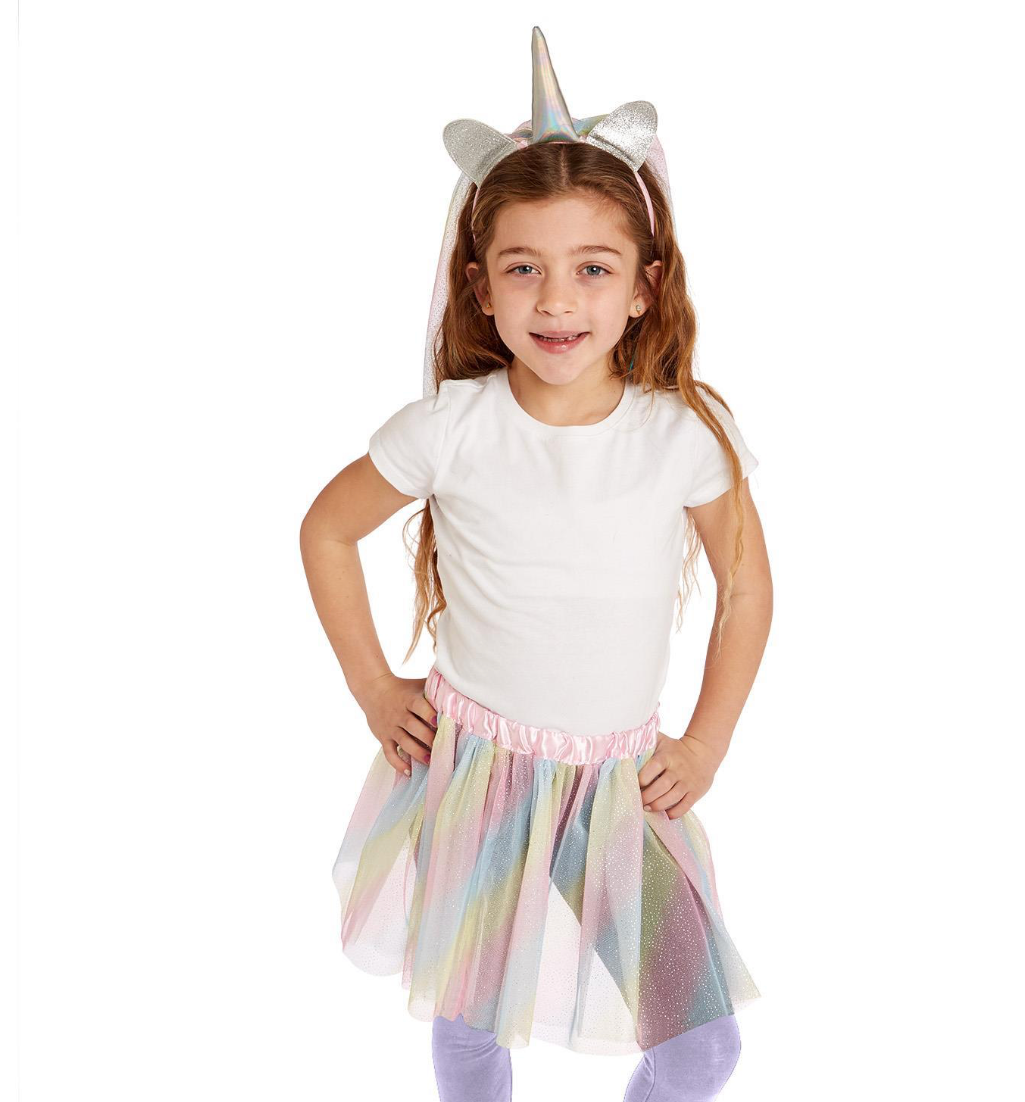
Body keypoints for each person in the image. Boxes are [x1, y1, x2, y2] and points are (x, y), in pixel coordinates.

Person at [300, 26, 771, 1102]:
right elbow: (326, 530)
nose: (558, 302)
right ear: (480, 286)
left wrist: (706, 740)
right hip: (478, 775)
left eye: (592, 269)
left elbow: (746, 587)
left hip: (620, 789)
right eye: (525, 269)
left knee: (699, 1048)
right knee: (472, 1029)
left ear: (645, 287)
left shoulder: (683, 437)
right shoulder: (452, 427)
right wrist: (374, 686)